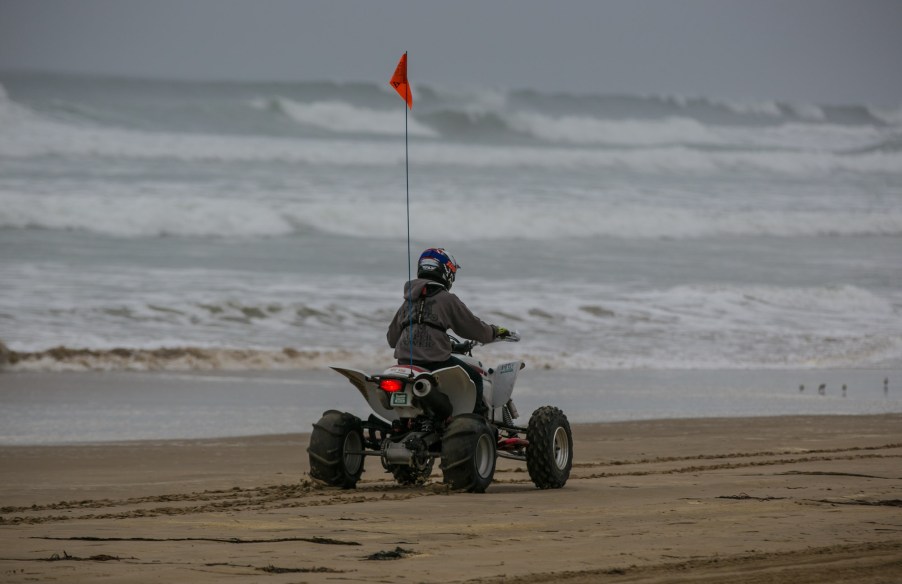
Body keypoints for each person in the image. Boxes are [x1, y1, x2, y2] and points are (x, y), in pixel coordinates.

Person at [387, 248, 510, 415]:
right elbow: (474, 328)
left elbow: (391, 339)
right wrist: (494, 332)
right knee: (474, 379)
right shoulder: (447, 299)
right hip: (435, 361)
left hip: (404, 363)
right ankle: (475, 426)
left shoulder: (408, 301)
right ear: (447, 271)